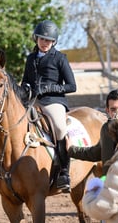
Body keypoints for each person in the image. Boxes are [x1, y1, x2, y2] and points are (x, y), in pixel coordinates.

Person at [21, 20, 76, 192]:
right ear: (36, 39)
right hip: (34, 101)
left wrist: (52, 87)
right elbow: (25, 82)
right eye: (42, 39)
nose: (45, 43)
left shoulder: (60, 58)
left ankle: (64, 172)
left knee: (59, 128)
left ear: (53, 42)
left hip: (54, 101)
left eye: (49, 40)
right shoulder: (30, 59)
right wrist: (25, 90)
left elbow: (72, 86)